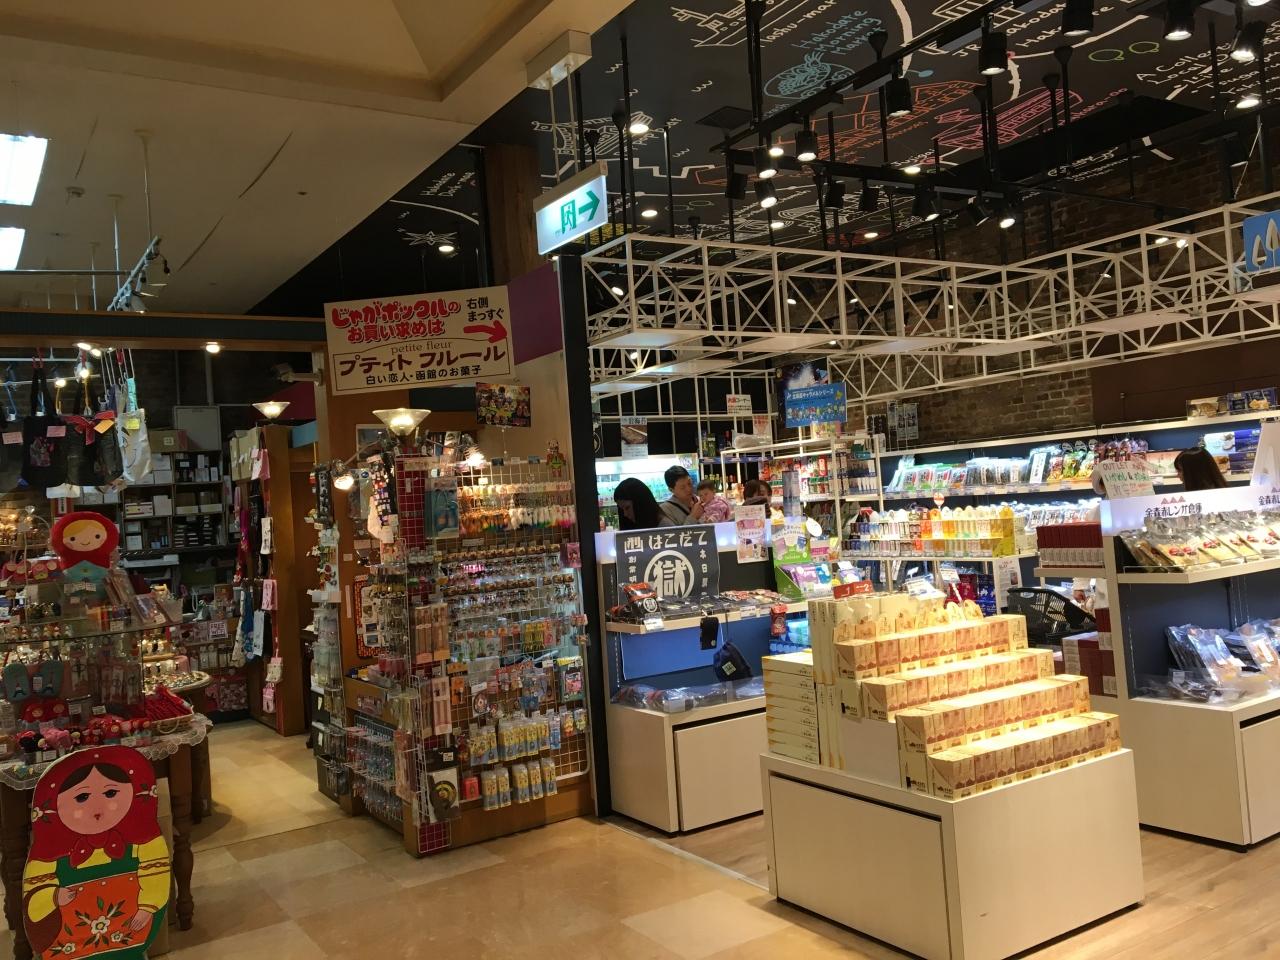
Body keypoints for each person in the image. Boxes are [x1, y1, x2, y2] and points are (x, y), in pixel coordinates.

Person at [23, 747, 171, 959]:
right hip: (70, 941)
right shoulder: (49, 854)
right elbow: (35, 890)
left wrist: (148, 906)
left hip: (130, 930)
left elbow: (157, 873)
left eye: (110, 793)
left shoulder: (144, 841)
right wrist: (53, 896)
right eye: (82, 797)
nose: (97, 806)